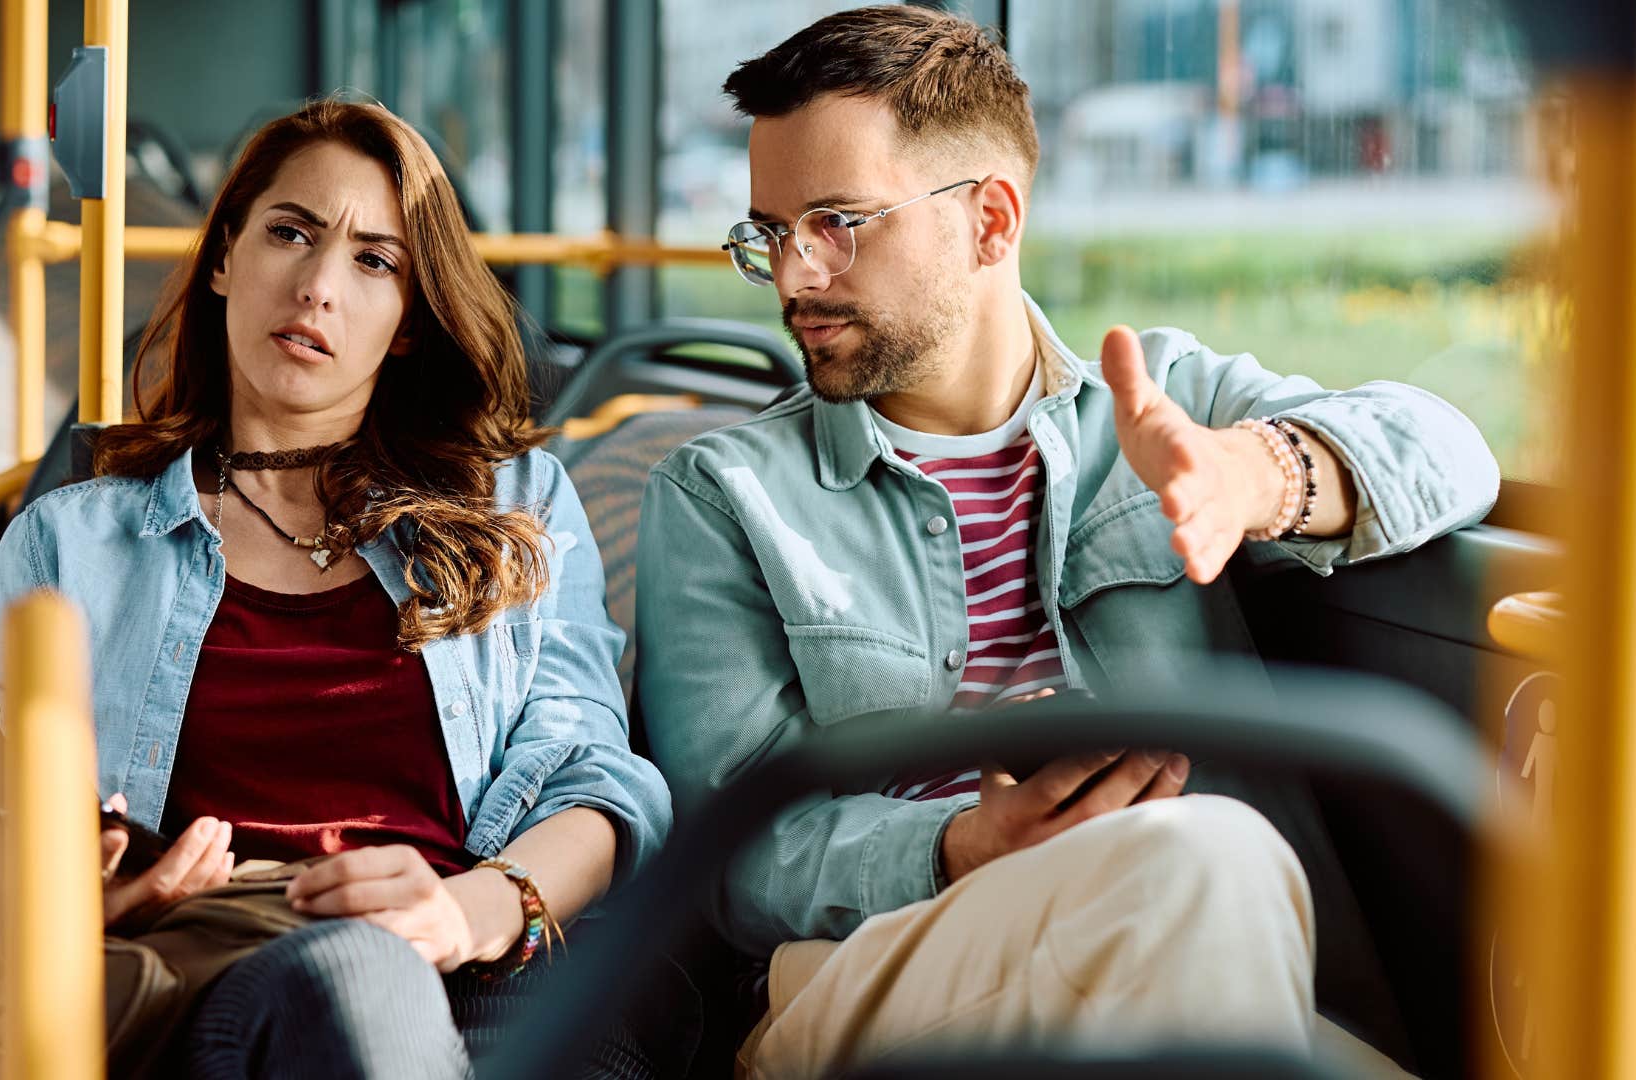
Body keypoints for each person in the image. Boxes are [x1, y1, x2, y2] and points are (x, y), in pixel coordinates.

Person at [633, 6, 1498, 1077]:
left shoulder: (1171, 401)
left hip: (1195, 952)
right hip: (869, 978)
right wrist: (961, 847)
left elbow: (1448, 445)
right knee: (1201, 860)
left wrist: (1256, 476)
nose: (798, 276)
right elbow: (731, 857)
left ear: (992, 221)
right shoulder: (723, 498)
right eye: (772, 232)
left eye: (838, 222)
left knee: (1194, 895)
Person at [0, 98, 672, 1079]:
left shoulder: (516, 505)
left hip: (486, 957)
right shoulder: (71, 544)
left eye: (374, 262)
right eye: (290, 233)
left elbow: (594, 780)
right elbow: (24, 878)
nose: (316, 287)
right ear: (225, 258)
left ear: (404, 327)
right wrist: (93, 907)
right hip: (214, 972)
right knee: (356, 979)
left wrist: (469, 911)